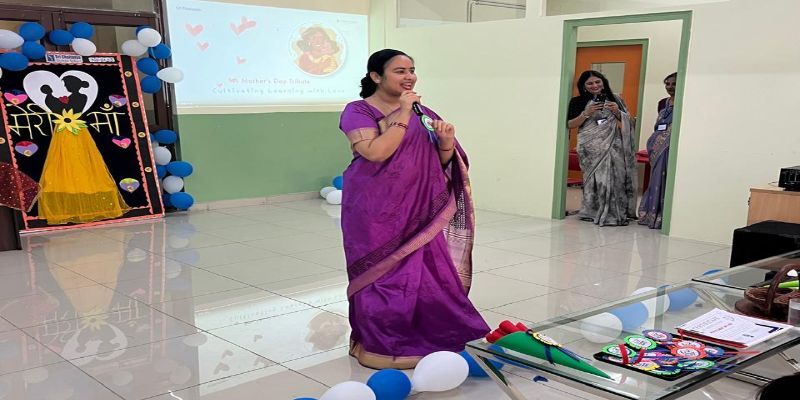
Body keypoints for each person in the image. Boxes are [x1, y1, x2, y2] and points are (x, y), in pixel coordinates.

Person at [338, 49, 489, 369]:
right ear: (376, 76)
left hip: (420, 210)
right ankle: (380, 344)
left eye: (412, 70)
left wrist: (446, 142)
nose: (409, 77)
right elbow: (375, 152)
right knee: (381, 276)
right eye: (399, 71)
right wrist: (404, 113)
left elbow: (441, 163)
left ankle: (431, 334)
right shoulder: (358, 110)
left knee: (427, 275)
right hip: (373, 209)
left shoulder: (424, 111)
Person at [567, 70, 637, 226]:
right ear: (584, 86)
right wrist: (586, 113)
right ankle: (591, 211)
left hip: (613, 146)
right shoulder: (577, 101)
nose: (595, 85)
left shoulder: (615, 99)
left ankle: (614, 213)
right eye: (590, 83)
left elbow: (631, 123)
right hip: (589, 148)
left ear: (603, 82)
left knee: (616, 178)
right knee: (593, 180)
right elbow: (570, 124)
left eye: (597, 82)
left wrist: (617, 112)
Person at [638, 72, 677, 229]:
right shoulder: (662, 103)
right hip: (656, 146)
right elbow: (658, 125)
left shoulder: (685, 102)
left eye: (674, 84)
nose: (670, 87)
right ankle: (650, 213)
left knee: (666, 179)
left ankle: (662, 215)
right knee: (655, 179)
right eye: (667, 84)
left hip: (670, 148)